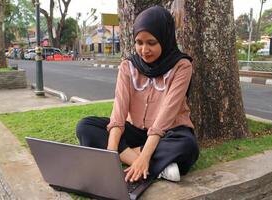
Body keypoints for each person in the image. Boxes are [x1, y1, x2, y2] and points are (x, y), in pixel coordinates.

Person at [76, 6, 199, 183]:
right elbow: (119, 110)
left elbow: (167, 113)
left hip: (168, 131)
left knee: (188, 146)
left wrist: (144, 155)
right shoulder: (128, 66)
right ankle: (157, 167)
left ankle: (135, 158)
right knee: (86, 126)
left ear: (165, 39)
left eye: (151, 43)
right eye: (139, 42)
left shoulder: (182, 66)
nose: (144, 50)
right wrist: (111, 151)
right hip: (134, 130)